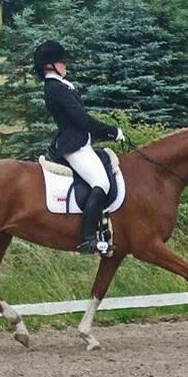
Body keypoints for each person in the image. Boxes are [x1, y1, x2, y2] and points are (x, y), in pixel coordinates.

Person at [35, 40, 125, 256]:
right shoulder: (56, 88)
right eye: (62, 62)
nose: (65, 66)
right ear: (50, 65)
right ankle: (88, 239)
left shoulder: (60, 85)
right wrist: (112, 131)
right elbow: (81, 119)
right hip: (74, 146)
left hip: (81, 143)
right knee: (101, 183)